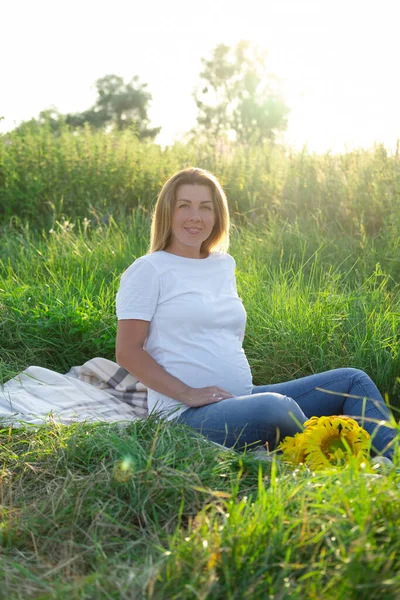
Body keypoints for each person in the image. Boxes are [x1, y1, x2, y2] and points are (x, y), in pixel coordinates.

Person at [115, 167, 397, 460]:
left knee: (352, 381)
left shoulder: (222, 264)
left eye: (205, 207)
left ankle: (394, 465)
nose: (195, 216)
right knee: (274, 408)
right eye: (184, 205)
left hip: (242, 400)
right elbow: (128, 352)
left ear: (217, 215)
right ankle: (335, 461)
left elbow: (227, 335)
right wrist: (188, 393)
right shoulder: (148, 270)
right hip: (185, 415)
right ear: (167, 212)